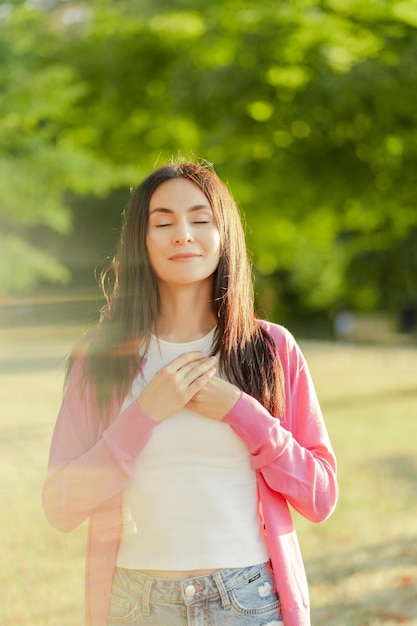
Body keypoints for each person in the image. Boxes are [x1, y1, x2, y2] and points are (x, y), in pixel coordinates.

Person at [42, 161, 338, 626]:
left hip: (248, 601)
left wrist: (244, 413)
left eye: (201, 220)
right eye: (163, 222)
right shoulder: (100, 359)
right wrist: (142, 415)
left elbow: (320, 496)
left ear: (225, 238)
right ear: (142, 241)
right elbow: (60, 505)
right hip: (135, 604)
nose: (183, 234)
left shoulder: (270, 350)